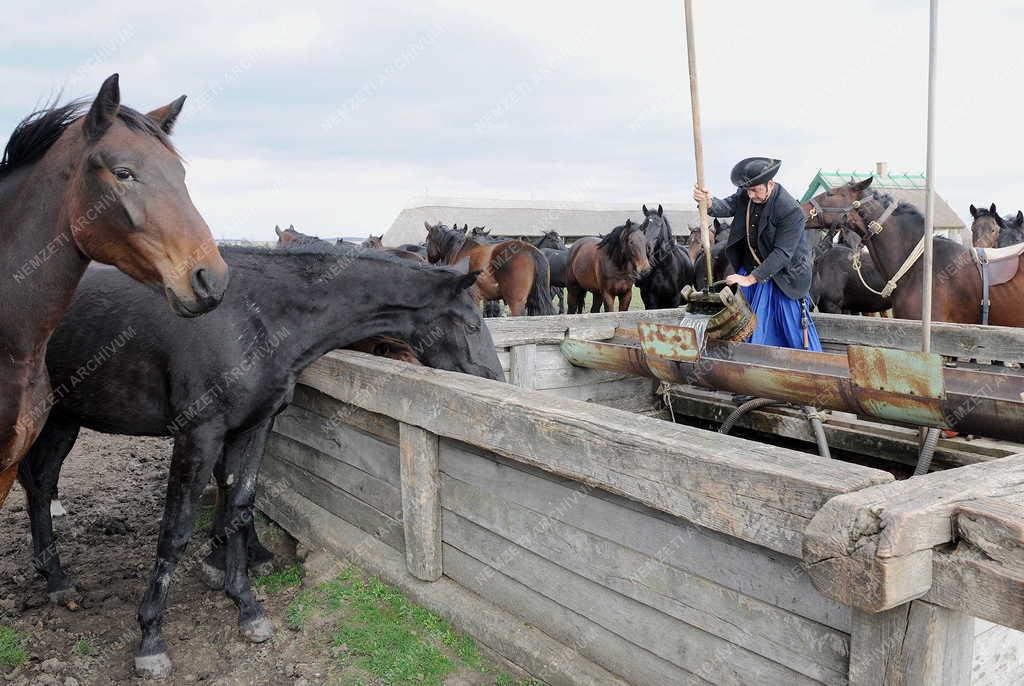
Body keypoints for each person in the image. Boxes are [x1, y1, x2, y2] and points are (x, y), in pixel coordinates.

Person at [692, 157, 821, 351]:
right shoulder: (747, 192)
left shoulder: (790, 211)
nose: (750, 195)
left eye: (755, 190)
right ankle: (749, 366)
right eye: (748, 190)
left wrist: (751, 279)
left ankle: (805, 368)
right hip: (752, 268)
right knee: (745, 326)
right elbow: (728, 206)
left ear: (770, 184)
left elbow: (782, 253)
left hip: (785, 277)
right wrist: (709, 202)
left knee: (790, 330)